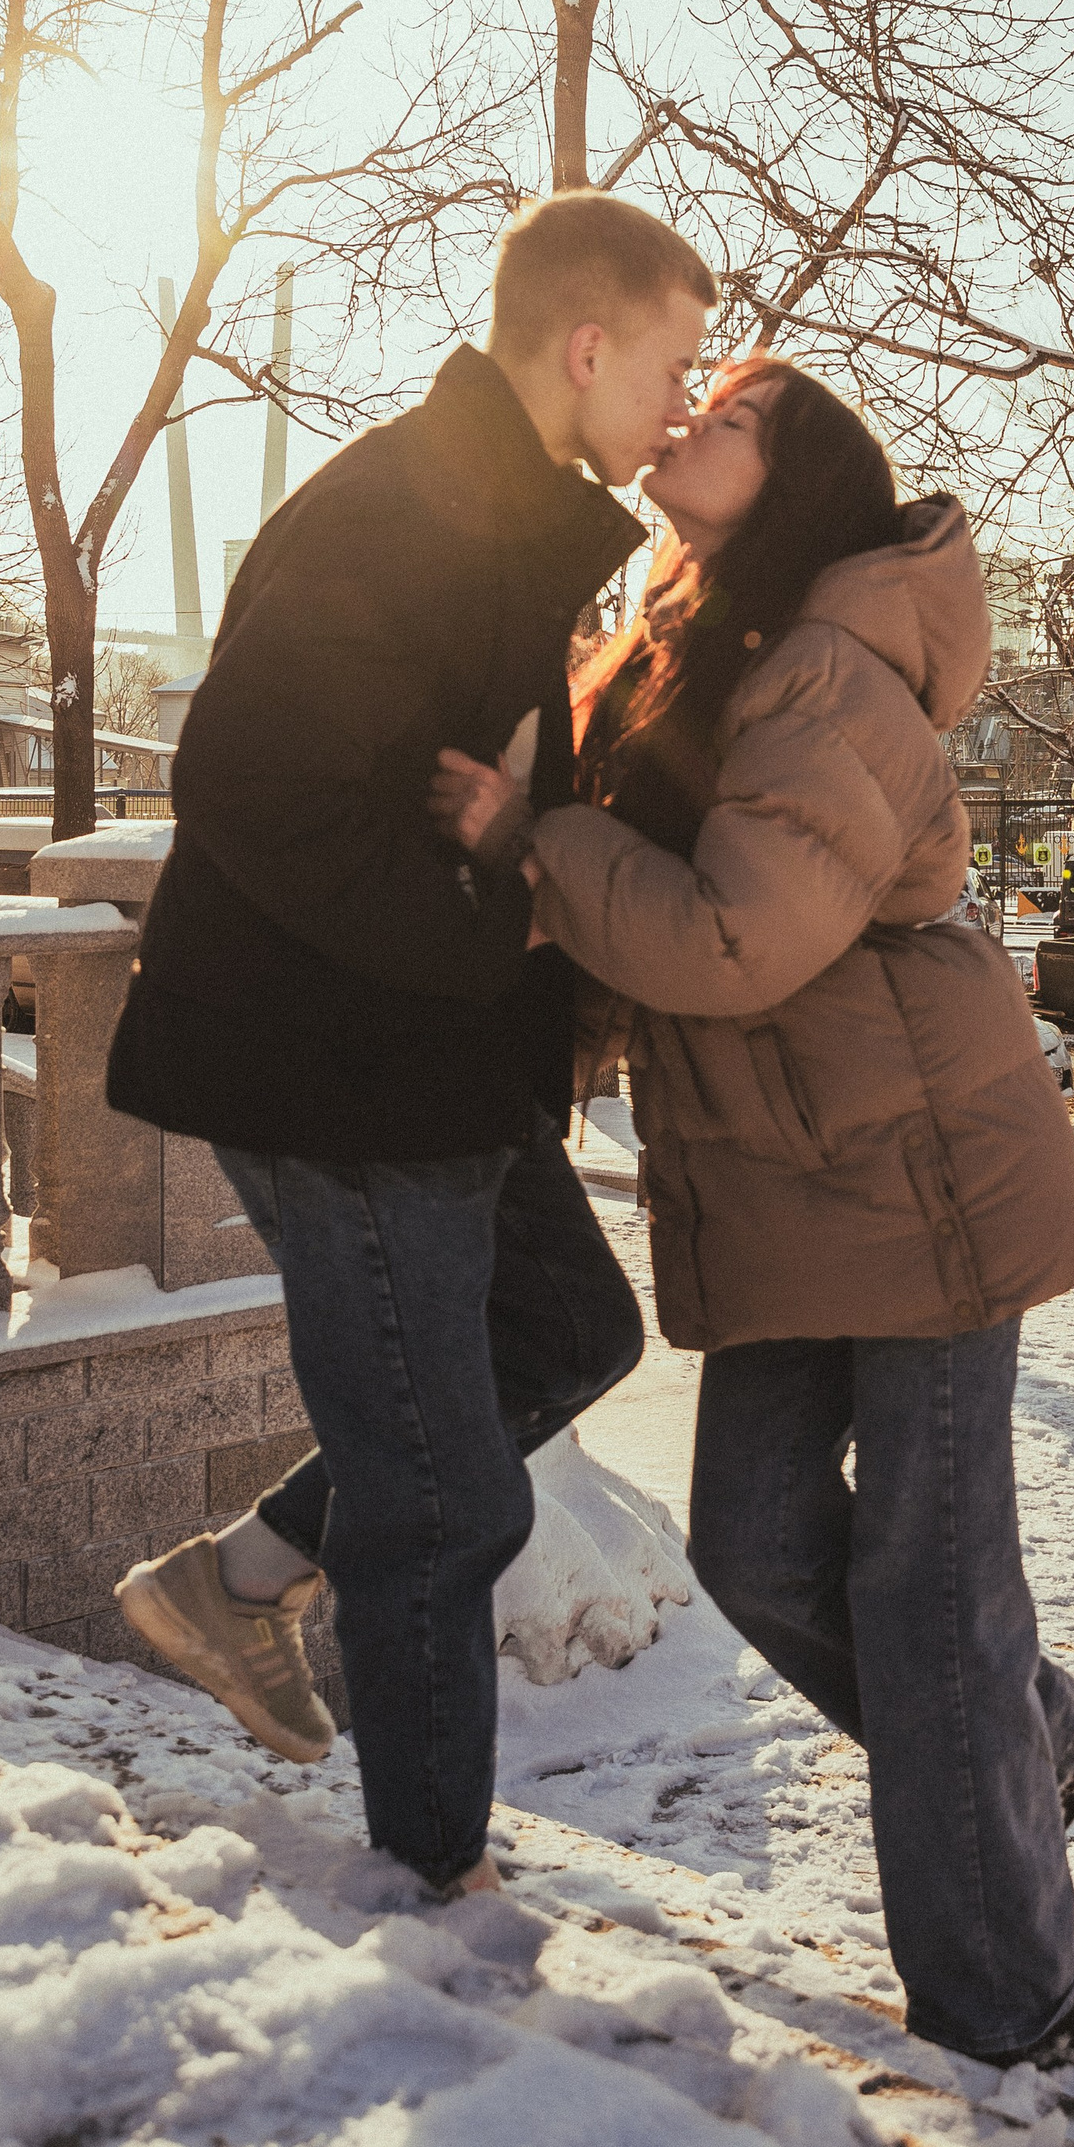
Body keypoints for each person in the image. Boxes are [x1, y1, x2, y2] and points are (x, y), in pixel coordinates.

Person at [431, 358, 1074, 2069]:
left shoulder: (830, 670)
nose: (688, 423)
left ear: (800, 481)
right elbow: (641, 918)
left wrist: (537, 845)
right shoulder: (697, 648)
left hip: (920, 1163)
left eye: (732, 417)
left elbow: (734, 936)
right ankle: (1031, 1735)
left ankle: (1018, 2009)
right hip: (782, 1171)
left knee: (926, 1580)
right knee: (752, 1544)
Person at [105, 189, 713, 1901]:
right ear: (585, 345)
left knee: (574, 1330)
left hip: (433, 1065)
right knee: (447, 1505)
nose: (680, 400)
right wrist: (482, 927)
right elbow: (241, 781)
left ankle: (244, 1581)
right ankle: (435, 1890)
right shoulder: (409, 511)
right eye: (670, 360)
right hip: (345, 1075)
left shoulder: (505, 513)